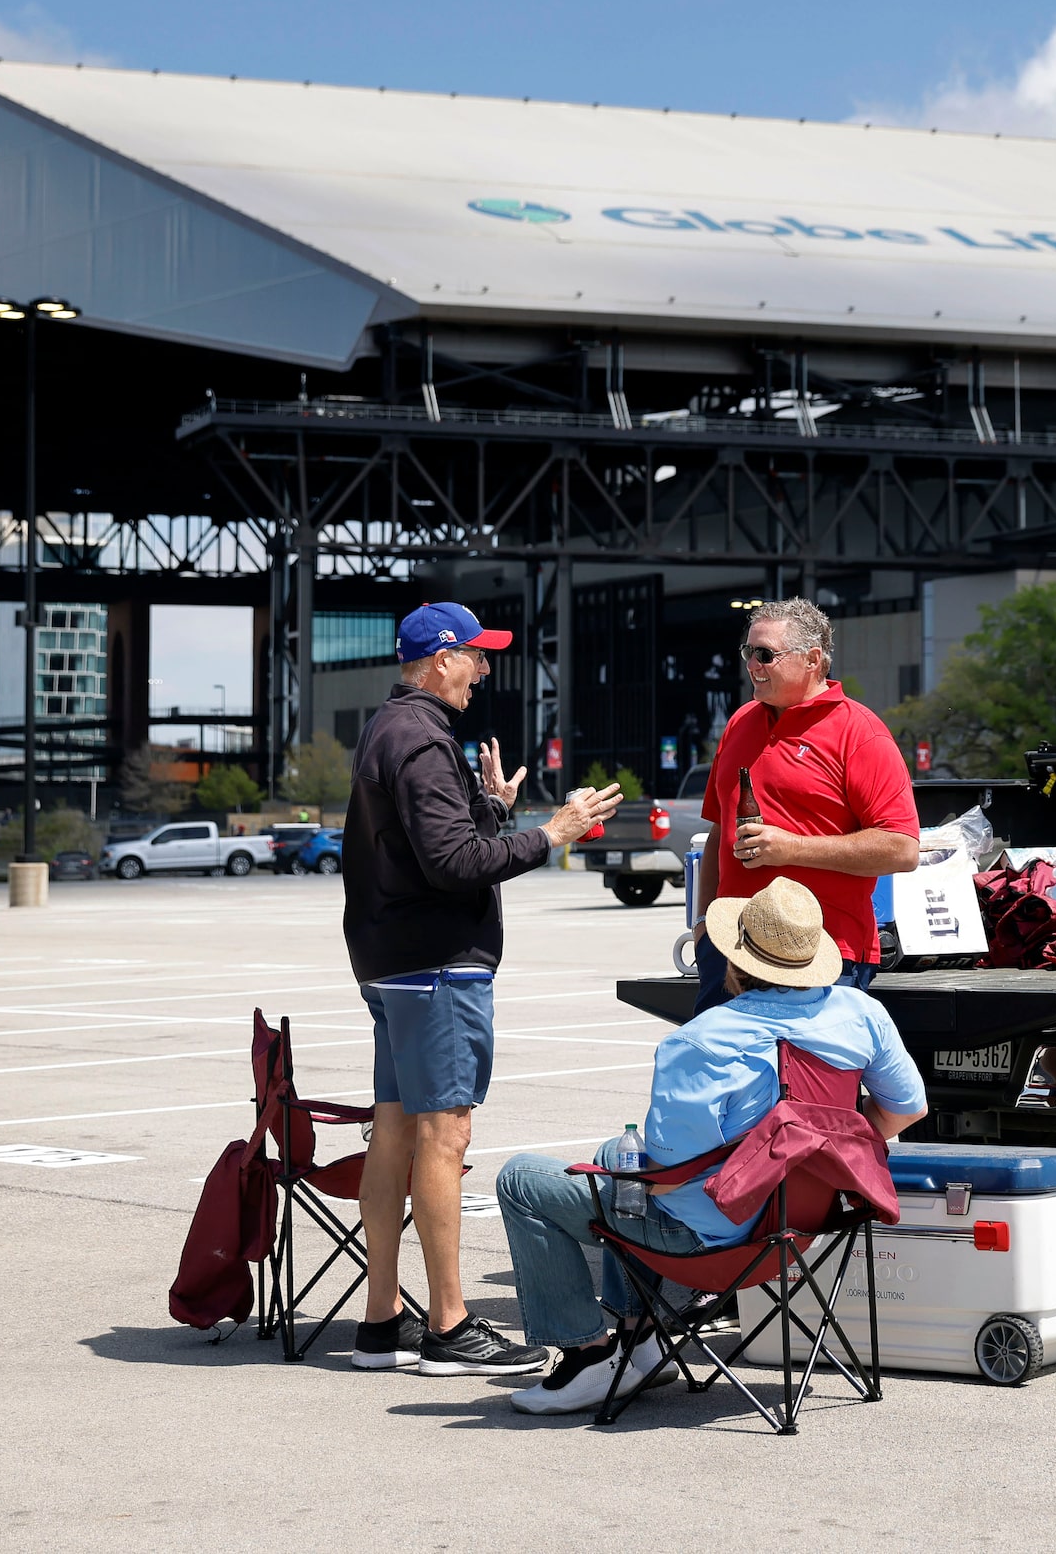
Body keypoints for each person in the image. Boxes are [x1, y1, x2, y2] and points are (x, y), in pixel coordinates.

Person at [493, 877, 927, 1415]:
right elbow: (907, 1110)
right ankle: (640, 1339)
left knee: (523, 1179)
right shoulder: (861, 1014)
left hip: (712, 1245)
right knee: (614, 1154)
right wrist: (820, 1153)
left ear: (734, 961)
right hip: (801, 1226)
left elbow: (668, 1175)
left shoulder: (701, 1037)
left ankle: (587, 1354)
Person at [342, 600, 624, 1377]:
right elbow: (453, 865)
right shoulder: (422, 739)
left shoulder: (393, 728)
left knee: (396, 1127)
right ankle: (448, 1326)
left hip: (393, 958)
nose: (486, 668)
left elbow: (434, 843)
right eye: (476, 654)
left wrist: (494, 807)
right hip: (435, 961)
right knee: (445, 1135)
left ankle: (380, 1321)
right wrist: (551, 833)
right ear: (440, 660)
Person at [691, 597, 919, 1009]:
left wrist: (792, 847)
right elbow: (717, 833)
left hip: (824, 954)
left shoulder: (859, 732)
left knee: (809, 1075)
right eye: (748, 652)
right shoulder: (741, 722)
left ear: (812, 659)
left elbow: (902, 848)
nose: (753, 665)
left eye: (766, 654)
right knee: (719, 1071)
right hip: (731, 948)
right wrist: (704, 922)